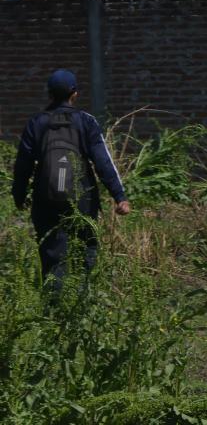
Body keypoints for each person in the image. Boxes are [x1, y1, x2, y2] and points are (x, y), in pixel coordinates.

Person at [11, 70, 131, 289]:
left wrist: (19, 197)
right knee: (85, 250)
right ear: (74, 93)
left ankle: (53, 313)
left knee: (51, 257)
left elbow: (22, 166)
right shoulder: (86, 121)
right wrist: (119, 196)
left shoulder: (36, 123)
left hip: (45, 200)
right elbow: (103, 162)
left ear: (49, 94)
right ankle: (81, 304)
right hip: (82, 198)